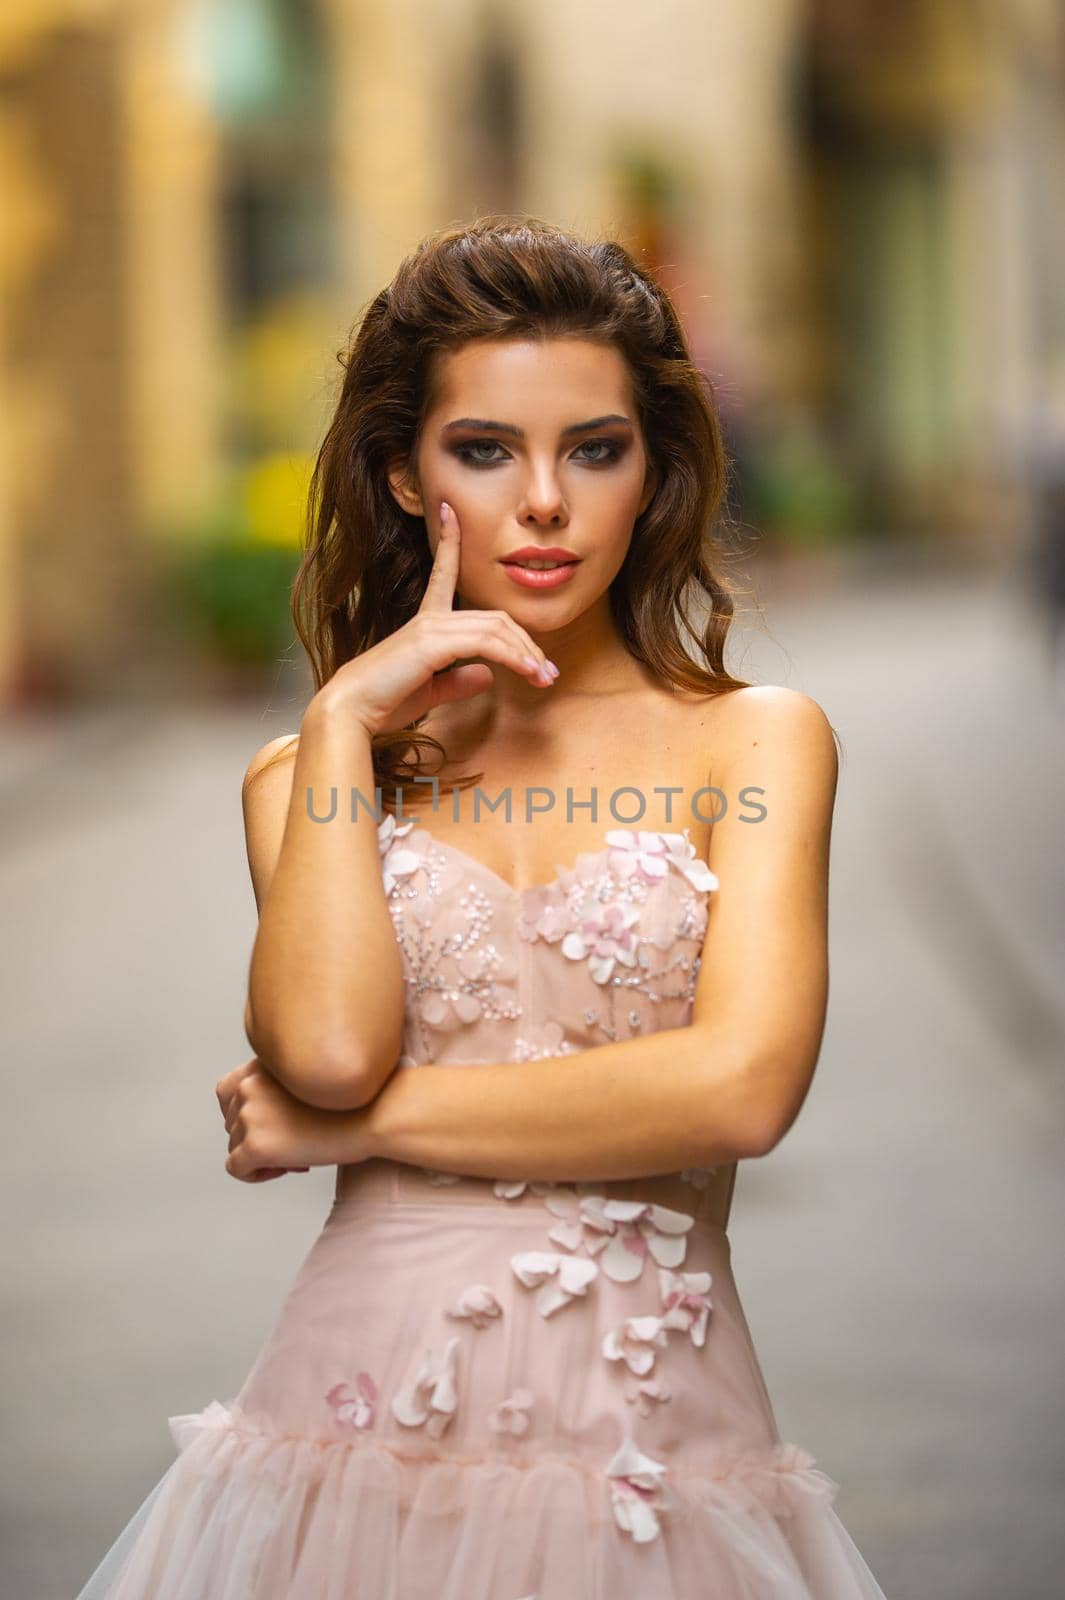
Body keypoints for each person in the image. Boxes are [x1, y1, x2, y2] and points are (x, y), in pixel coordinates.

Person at [76, 215, 888, 1598]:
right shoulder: (306, 777)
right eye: (482, 450)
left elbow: (742, 1089)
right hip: (344, 1452)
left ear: (653, 473)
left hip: (653, 1459)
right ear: (403, 475)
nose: (545, 503)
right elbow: (324, 1051)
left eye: (592, 447)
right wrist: (341, 721)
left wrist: (370, 1124)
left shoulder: (753, 741)